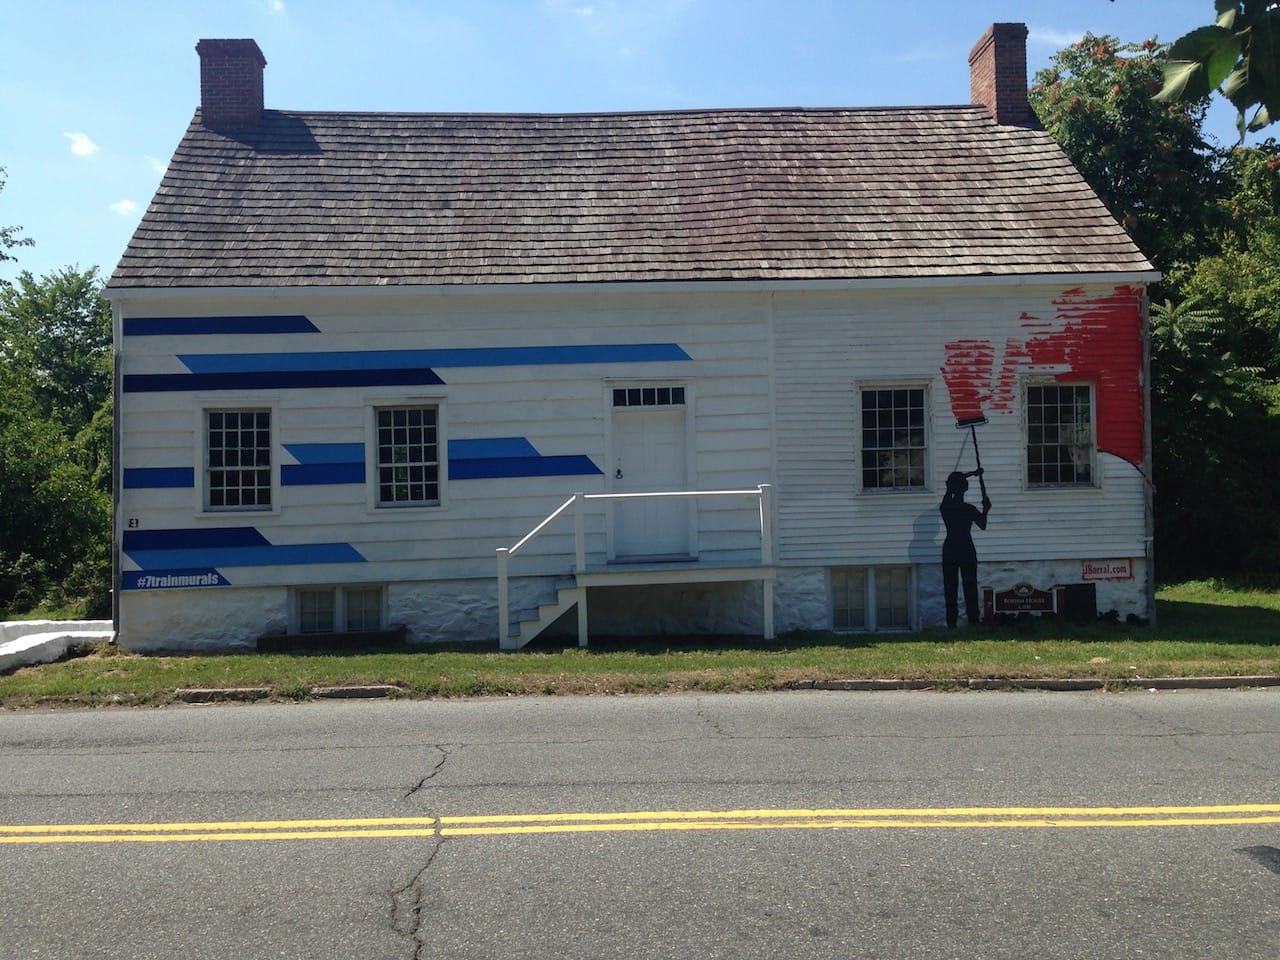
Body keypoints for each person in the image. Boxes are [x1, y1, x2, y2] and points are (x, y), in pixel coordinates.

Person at [940, 470, 990, 627]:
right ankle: (973, 620)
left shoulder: (946, 507)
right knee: (970, 586)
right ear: (965, 489)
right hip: (966, 548)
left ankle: (951, 622)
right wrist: (986, 509)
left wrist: (971, 474)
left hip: (950, 549)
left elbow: (950, 484)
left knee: (950, 588)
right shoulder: (969, 509)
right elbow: (983, 524)